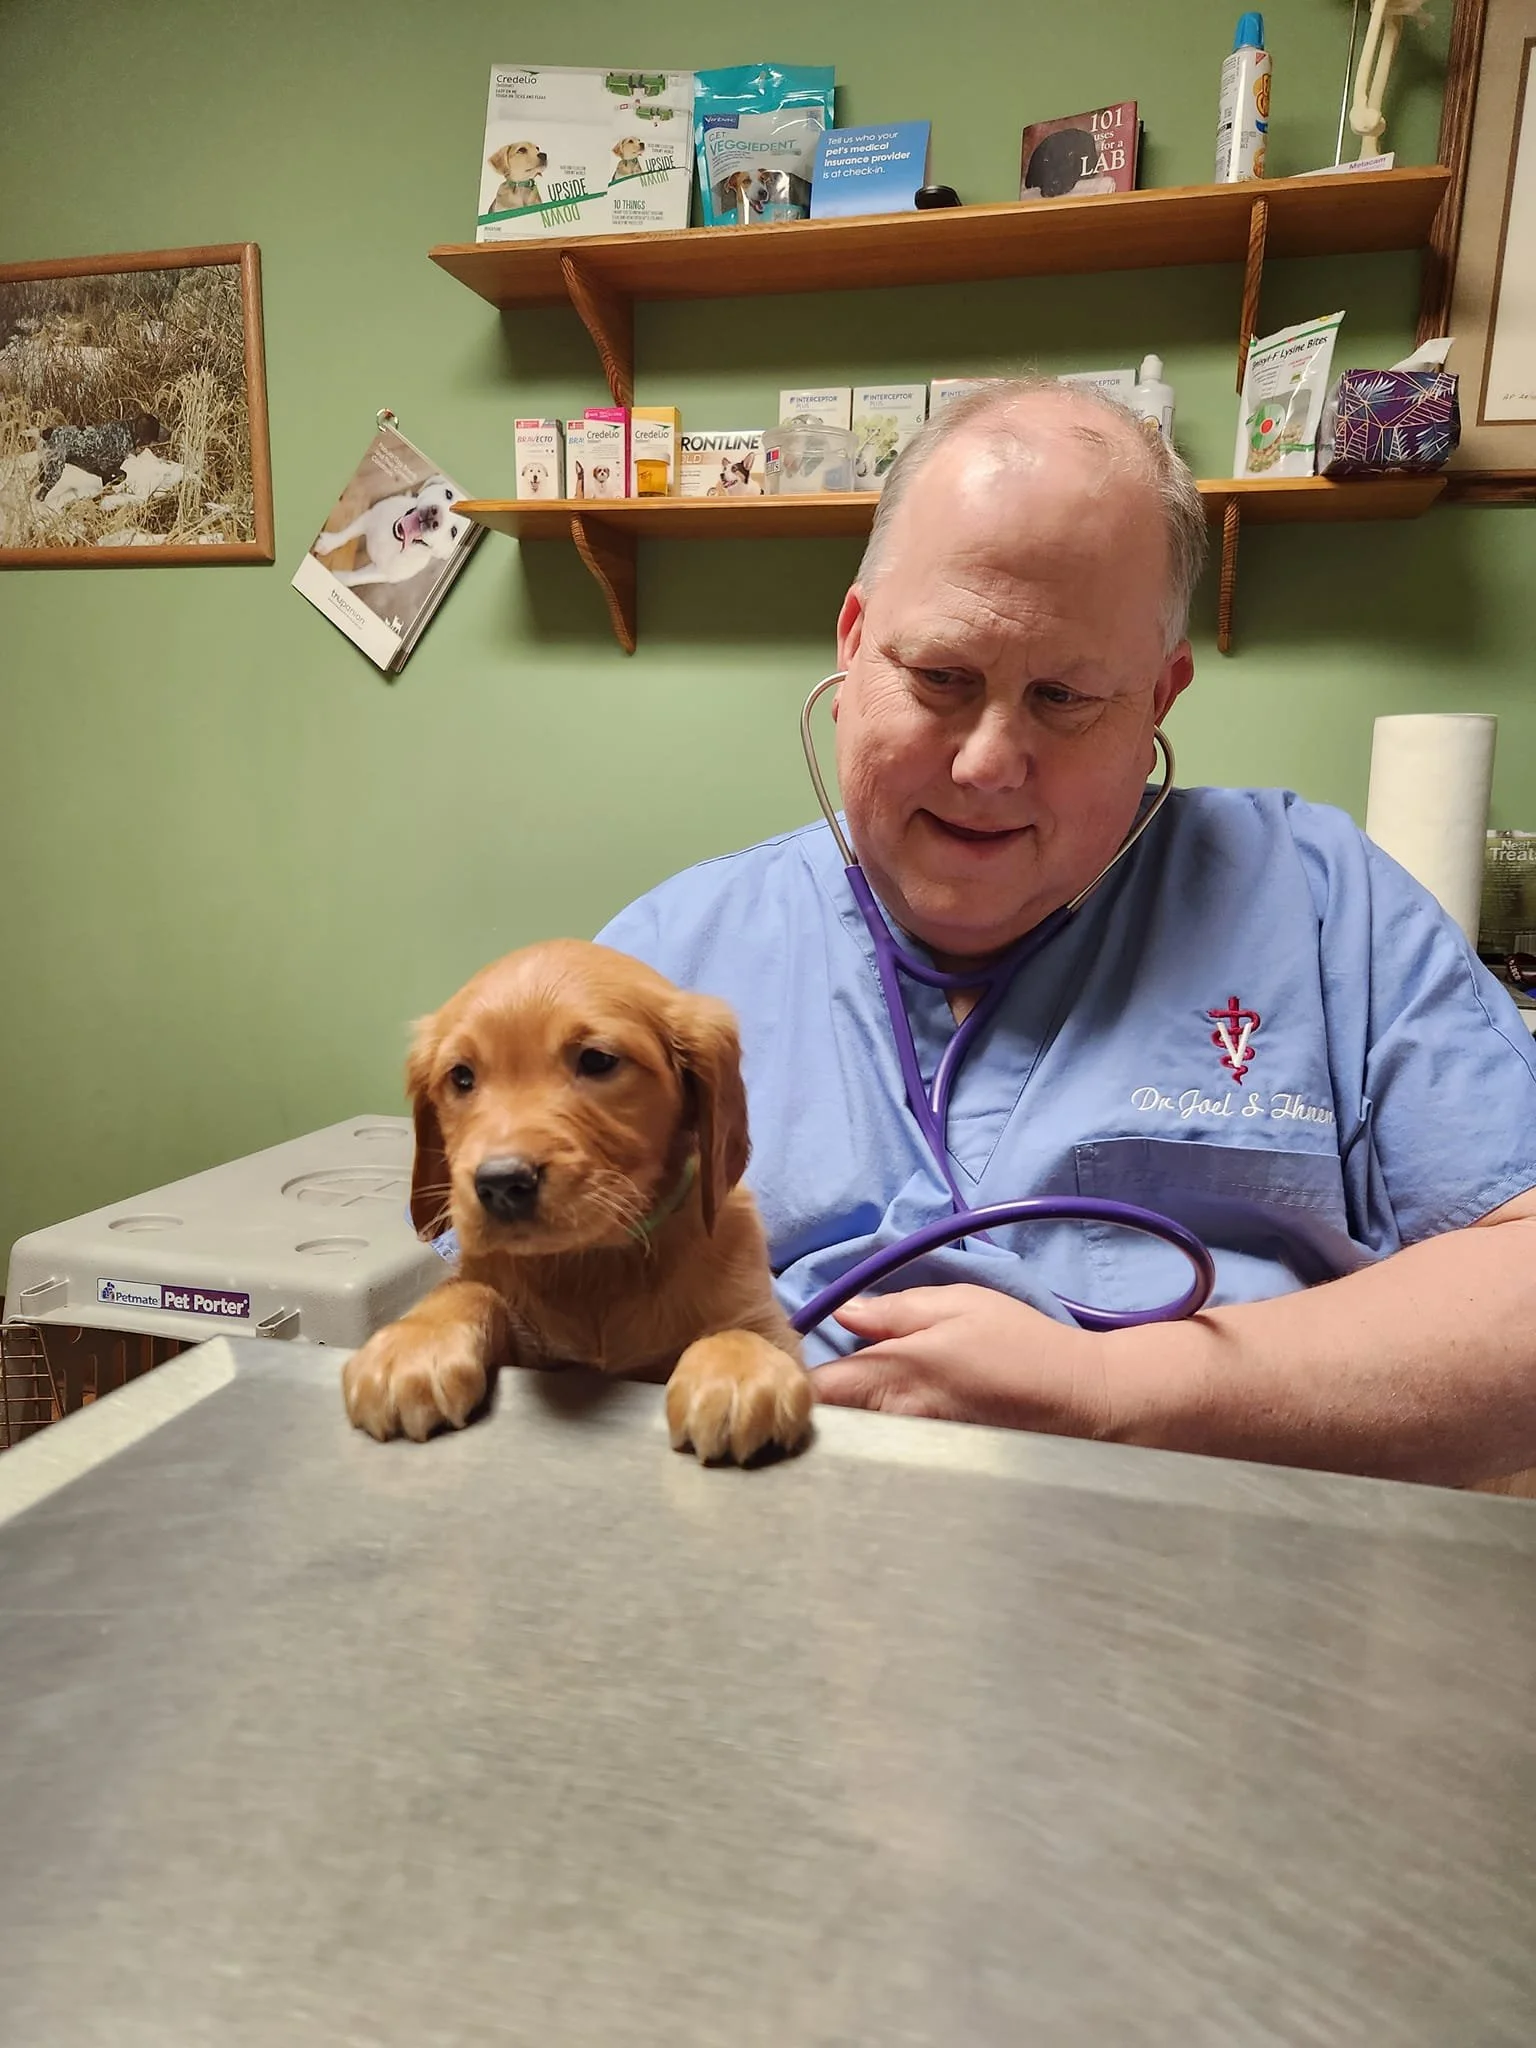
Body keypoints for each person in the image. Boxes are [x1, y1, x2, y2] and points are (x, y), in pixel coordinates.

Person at [596, 378, 1536, 1486]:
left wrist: (1114, 1397)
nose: (989, 762)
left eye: (1065, 697)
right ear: (854, 646)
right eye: (942, 676)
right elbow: (510, 1293)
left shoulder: (1324, 908)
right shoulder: (669, 960)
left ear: (1158, 702)